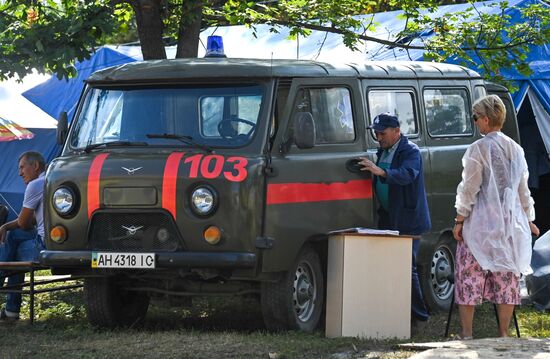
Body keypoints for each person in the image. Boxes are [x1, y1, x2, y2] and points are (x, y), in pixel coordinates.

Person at [453, 95, 540, 339]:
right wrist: (528, 219)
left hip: (480, 224)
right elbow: (523, 190)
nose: (475, 122)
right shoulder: (516, 149)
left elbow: (469, 188)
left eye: (476, 117)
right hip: (509, 224)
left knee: (468, 274)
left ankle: (467, 332)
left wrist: (460, 220)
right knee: (506, 277)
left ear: (486, 119)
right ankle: (503, 332)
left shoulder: (478, 149)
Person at [359, 113, 431, 323]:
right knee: (389, 267)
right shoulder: (383, 150)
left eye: (382, 133)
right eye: (376, 133)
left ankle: (420, 317)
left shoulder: (411, 151)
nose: (378, 137)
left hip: (409, 220)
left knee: (407, 268)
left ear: (397, 131)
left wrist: (380, 172)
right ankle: (394, 312)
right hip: (389, 217)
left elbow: (408, 174)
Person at [0, 151, 46, 321]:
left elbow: (24, 223)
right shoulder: (51, 179)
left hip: (45, 246)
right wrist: (7, 226)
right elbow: (31, 220)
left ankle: (11, 308)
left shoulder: (35, 185)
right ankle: (11, 310)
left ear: (34, 166)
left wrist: (6, 226)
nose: (19, 173)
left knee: (13, 246)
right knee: (13, 239)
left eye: (22, 167)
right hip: (60, 239)